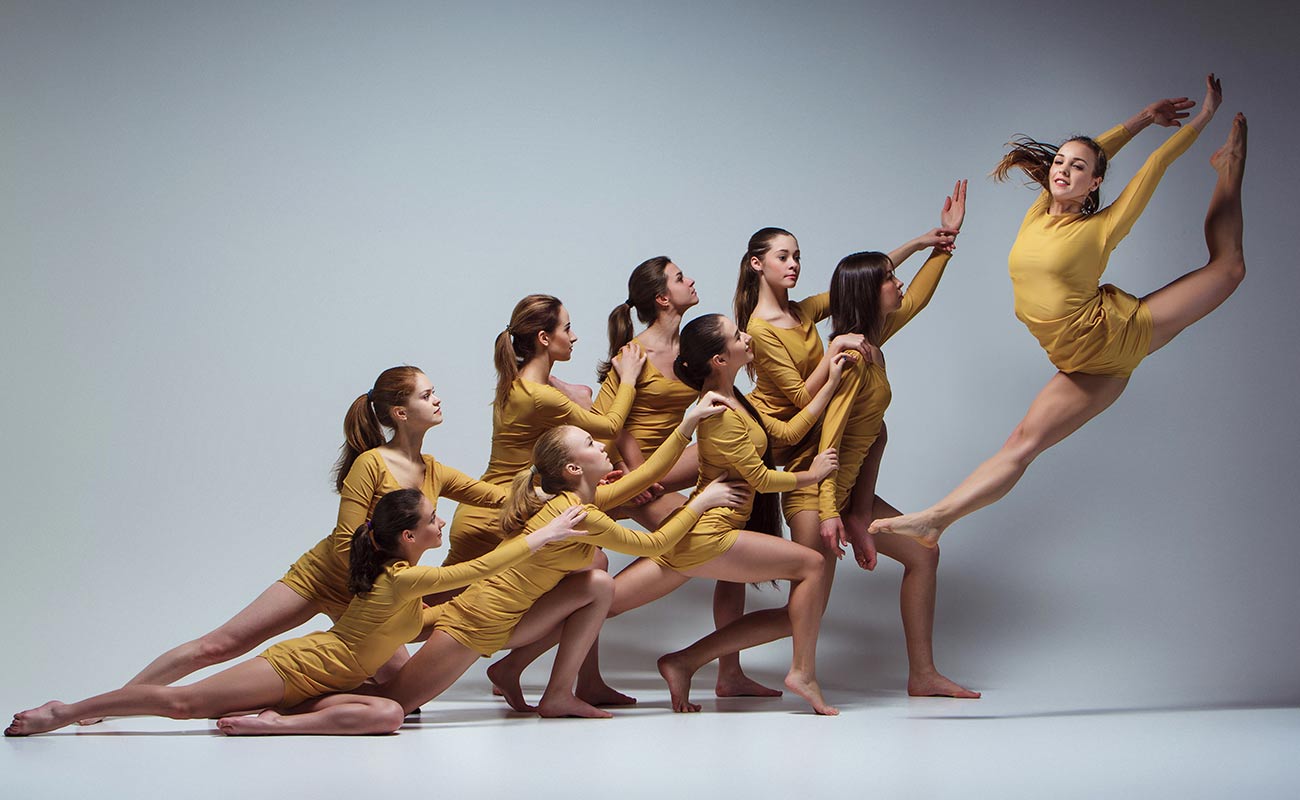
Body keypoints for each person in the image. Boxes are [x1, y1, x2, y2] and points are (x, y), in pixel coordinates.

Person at [872, 75, 1246, 546]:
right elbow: (1092, 152)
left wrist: (1205, 117)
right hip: (1083, 366)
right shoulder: (1040, 210)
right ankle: (936, 521)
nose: (1063, 171)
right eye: (1060, 163)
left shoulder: (1102, 228)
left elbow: (1155, 165)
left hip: (1115, 336)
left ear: (1095, 182)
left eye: (1078, 168)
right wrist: (1143, 119)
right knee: (1021, 445)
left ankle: (1228, 164)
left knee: (1230, 268)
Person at [5, 490, 587, 737]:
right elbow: (475, 573)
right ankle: (67, 710)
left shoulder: (409, 585)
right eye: (435, 520)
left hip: (327, 688)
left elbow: (467, 606)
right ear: (411, 537)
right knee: (183, 704)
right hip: (298, 669)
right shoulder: (403, 579)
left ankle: (277, 726)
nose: (443, 524)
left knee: (388, 714)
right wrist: (545, 536)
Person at [114, 366, 509, 694]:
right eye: (426, 395)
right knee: (220, 645)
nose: (437, 399)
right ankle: (120, 700)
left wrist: (552, 489)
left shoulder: (434, 470)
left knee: (400, 694)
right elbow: (343, 542)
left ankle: (281, 708)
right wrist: (384, 592)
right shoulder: (371, 464)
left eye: (433, 392)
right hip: (325, 577)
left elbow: (494, 497)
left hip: (368, 595)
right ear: (400, 413)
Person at [372, 395, 749, 719]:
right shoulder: (580, 514)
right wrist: (701, 502)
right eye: (590, 442)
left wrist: (688, 422)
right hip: (474, 624)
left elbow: (649, 471)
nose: (602, 445)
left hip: (510, 620)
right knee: (390, 708)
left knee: (598, 584)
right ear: (573, 469)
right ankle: (324, 691)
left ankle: (557, 694)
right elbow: (656, 546)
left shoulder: (580, 501)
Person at [599, 313, 848, 715]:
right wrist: (811, 476)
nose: (747, 338)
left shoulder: (734, 398)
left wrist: (831, 382)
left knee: (603, 600)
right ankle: (802, 672)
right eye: (737, 336)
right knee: (813, 566)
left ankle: (679, 663)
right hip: (709, 537)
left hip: (697, 535)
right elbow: (763, 480)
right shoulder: (718, 413)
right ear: (719, 359)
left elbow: (785, 434)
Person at [443, 294, 644, 571]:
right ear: (544, 338)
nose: (574, 337)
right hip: (496, 514)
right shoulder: (540, 396)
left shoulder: (519, 384)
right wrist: (629, 379)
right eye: (567, 328)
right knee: (593, 562)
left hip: (492, 508)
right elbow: (610, 426)